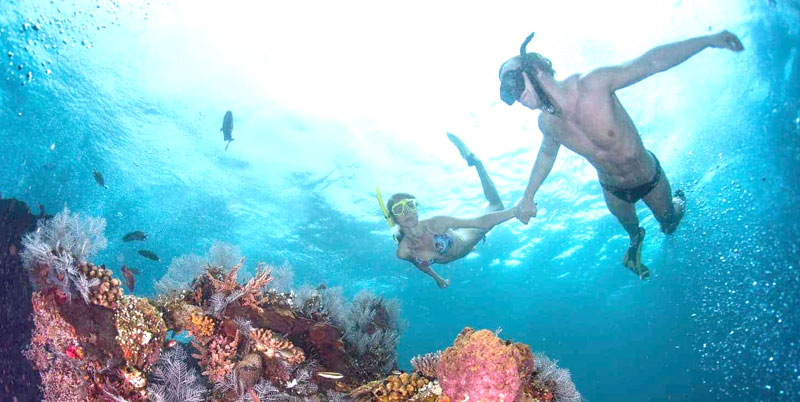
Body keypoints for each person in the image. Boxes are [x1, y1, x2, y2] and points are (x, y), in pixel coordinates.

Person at [499, 31, 744, 279]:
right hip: (613, 192)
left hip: (649, 179)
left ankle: (677, 203)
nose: (511, 94)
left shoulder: (592, 85)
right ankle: (635, 245)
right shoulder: (547, 125)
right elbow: (546, 154)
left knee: (669, 224)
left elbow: (651, 63)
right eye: (506, 90)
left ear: (536, 68)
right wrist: (527, 197)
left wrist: (708, 41)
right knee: (633, 231)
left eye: (512, 81)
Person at [378, 133, 517, 288]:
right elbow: (420, 265)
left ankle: (476, 162)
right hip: (451, 243)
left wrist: (516, 211)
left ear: (417, 209)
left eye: (410, 205)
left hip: (464, 239)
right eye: (399, 209)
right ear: (393, 218)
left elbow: (480, 222)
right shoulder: (403, 251)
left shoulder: (437, 224)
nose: (407, 212)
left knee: (497, 206)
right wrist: (438, 279)